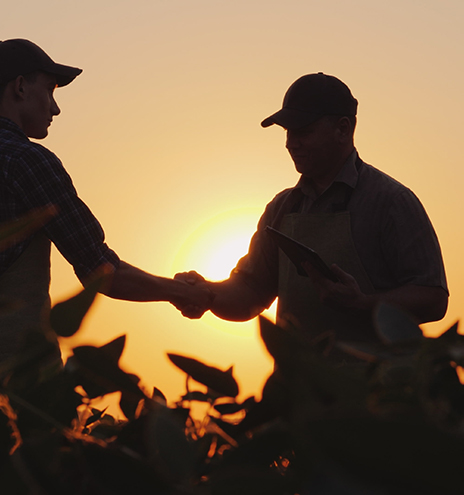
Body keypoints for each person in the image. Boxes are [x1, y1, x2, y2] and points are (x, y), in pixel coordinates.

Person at [0, 39, 213, 367]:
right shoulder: (26, 161)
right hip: (23, 388)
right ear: (19, 87)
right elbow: (100, 270)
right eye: (50, 89)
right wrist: (181, 292)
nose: (55, 107)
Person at [177, 73, 448, 347]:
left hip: (375, 388)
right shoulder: (281, 209)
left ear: (343, 129)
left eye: (303, 131)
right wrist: (206, 293)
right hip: (297, 388)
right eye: (288, 132)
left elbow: (434, 300)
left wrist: (364, 303)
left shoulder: (392, 202)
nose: (290, 143)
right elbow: (250, 294)